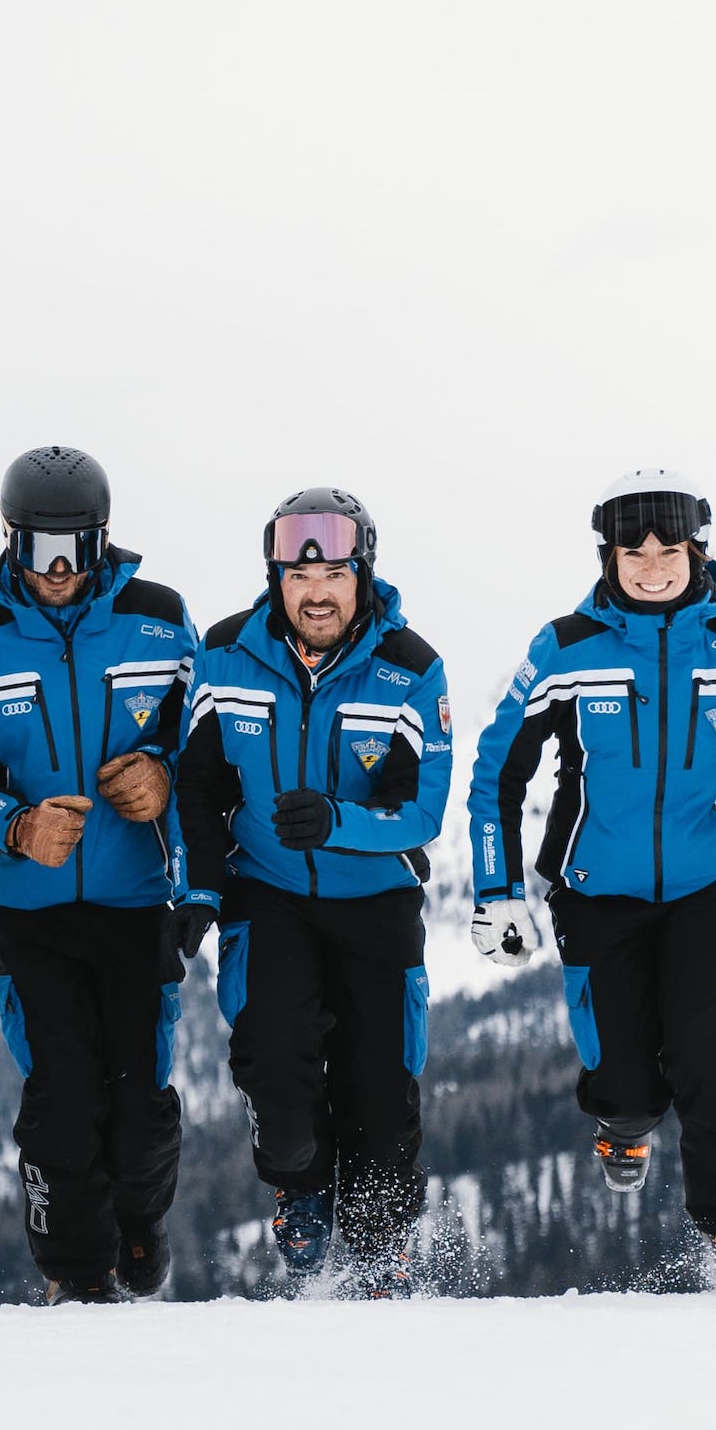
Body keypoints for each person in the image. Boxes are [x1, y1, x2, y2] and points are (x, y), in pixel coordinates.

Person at [464, 467, 716, 1274]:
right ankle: (623, 1126)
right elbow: (498, 774)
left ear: (698, 552)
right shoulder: (566, 649)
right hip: (597, 889)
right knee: (627, 1081)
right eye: (634, 549)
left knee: (711, 1047)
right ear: (609, 556)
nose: (654, 563)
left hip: (709, 880)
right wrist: (498, 890)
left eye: (671, 547)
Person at [0, 448, 198, 1302]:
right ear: (10, 540)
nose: (57, 569)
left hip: (134, 902)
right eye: (40, 547)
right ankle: (71, 1276)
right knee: (62, 1098)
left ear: (104, 541)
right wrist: (12, 825)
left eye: (75, 549)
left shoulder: (160, 622)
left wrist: (160, 774)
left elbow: (205, 744)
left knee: (139, 1094)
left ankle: (141, 1228)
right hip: (28, 907)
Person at [177, 490, 454, 1293]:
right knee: (275, 1064)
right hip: (269, 894)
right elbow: (198, 785)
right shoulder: (226, 653)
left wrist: (339, 822)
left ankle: (379, 1251)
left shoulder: (411, 666)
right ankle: (299, 1186)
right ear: (275, 579)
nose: (318, 593)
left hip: (374, 900)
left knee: (380, 1087)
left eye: (335, 573)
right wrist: (198, 890)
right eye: (301, 578)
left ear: (362, 573)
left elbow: (421, 811)